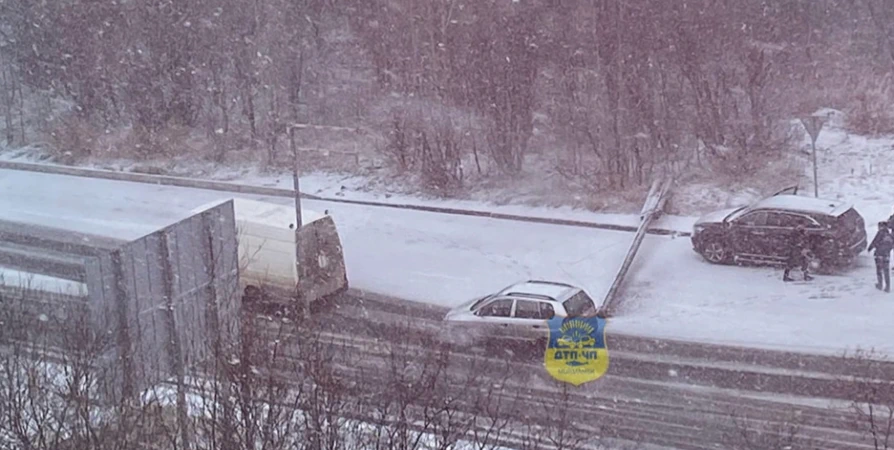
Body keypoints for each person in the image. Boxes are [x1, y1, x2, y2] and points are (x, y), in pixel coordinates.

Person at [868, 221, 894, 292]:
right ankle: (887, 287)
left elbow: (874, 241)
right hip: (886, 255)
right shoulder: (890, 235)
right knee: (886, 271)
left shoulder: (880, 233)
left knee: (879, 270)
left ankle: (880, 285)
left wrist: (870, 248)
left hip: (879, 254)